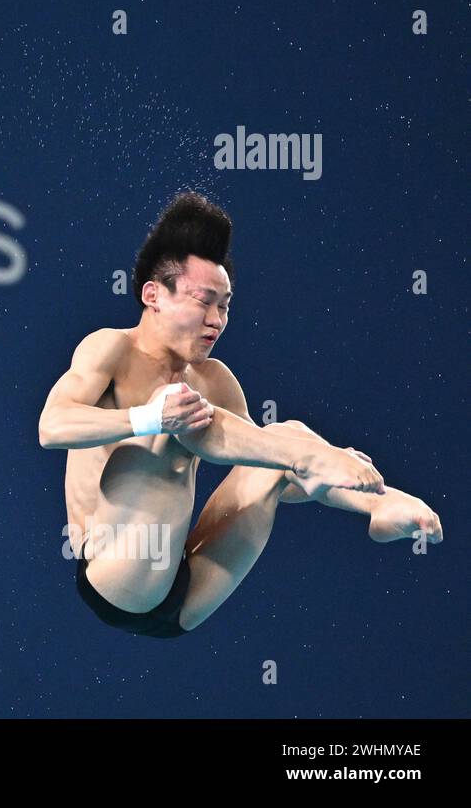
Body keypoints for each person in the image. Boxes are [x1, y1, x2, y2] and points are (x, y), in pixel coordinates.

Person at [38, 191, 444, 637]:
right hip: (115, 571)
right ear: (153, 295)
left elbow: (273, 472)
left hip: (184, 593)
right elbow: (52, 427)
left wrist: (323, 467)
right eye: (203, 301)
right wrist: (150, 418)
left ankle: (377, 507)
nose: (216, 320)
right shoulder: (110, 348)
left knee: (281, 438)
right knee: (179, 421)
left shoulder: (215, 379)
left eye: (225, 305)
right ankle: (309, 456)